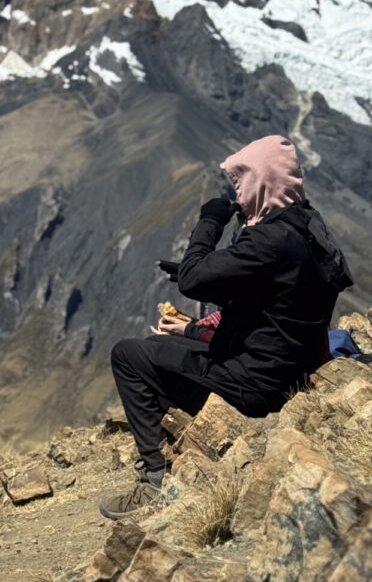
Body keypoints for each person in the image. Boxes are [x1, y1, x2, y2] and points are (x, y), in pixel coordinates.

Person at [99, 133, 352, 519]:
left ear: (261, 181)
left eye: (242, 182)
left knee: (129, 355)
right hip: (283, 373)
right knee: (174, 348)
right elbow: (268, 311)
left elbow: (192, 279)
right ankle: (178, 441)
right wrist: (191, 324)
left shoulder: (270, 241)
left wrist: (210, 222)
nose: (239, 192)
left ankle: (155, 480)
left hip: (251, 388)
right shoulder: (307, 227)